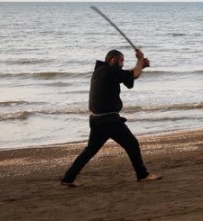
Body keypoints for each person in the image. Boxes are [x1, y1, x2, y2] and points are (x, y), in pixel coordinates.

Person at [60, 48, 161, 186]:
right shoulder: (110, 71)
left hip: (96, 119)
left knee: (90, 150)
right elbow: (134, 75)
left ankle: (68, 178)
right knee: (131, 143)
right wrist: (139, 59)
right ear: (113, 60)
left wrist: (141, 65)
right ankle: (142, 175)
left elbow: (127, 74)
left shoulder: (100, 71)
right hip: (109, 120)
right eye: (121, 61)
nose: (123, 64)